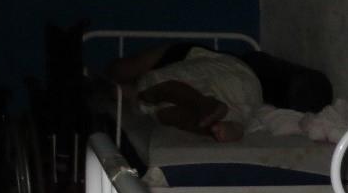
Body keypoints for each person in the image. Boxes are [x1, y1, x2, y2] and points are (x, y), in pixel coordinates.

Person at [109, 42, 333, 142]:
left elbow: (125, 71)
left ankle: (210, 116)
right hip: (248, 95)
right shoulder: (194, 62)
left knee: (153, 92)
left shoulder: (172, 61)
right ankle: (217, 125)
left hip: (238, 83)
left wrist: (130, 90)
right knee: (163, 112)